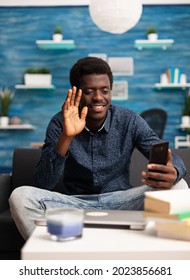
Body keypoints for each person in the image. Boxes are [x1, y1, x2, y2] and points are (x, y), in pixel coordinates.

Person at [9, 57, 187, 240]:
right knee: (20, 196)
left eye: (105, 91)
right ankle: (56, 262)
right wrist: (66, 137)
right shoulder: (59, 122)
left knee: (179, 185)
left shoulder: (129, 120)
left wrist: (173, 171)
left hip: (123, 200)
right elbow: (43, 183)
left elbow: (173, 159)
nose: (98, 98)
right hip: (75, 203)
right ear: (76, 93)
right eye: (89, 91)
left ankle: (169, 260)